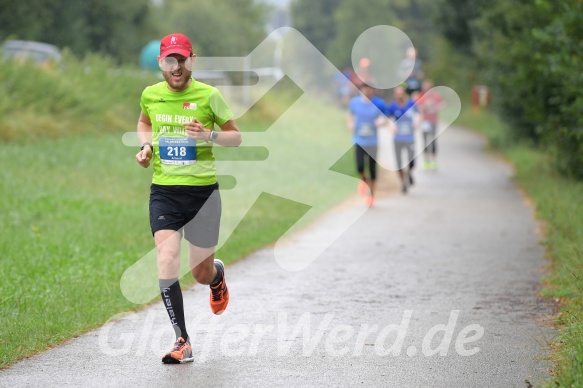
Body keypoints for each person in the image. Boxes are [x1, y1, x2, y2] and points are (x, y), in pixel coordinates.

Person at [135, 33, 242, 364]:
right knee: (166, 258)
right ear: (161, 63)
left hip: (202, 196)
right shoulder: (151, 95)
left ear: (191, 61)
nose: (176, 66)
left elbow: (235, 137)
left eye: (182, 59)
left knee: (199, 272)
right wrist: (147, 146)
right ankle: (182, 339)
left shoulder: (209, 96)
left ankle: (216, 276)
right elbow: (143, 122)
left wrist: (207, 134)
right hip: (165, 192)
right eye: (170, 60)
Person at [347, 83, 386, 207]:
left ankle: (371, 195)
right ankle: (363, 181)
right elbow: (350, 114)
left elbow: (385, 117)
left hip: (373, 142)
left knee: (372, 169)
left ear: (373, 91)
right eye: (365, 90)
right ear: (361, 91)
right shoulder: (354, 102)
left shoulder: (379, 104)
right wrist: (350, 123)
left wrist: (381, 121)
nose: (367, 92)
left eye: (370, 90)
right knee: (360, 167)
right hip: (359, 140)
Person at [385, 85, 418, 194]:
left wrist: (417, 122)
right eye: (397, 94)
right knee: (399, 163)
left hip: (410, 137)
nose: (399, 95)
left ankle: (409, 174)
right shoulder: (392, 106)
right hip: (398, 138)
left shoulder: (411, 104)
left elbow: (420, 114)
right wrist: (391, 126)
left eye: (401, 93)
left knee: (411, 161)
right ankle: (403, 183)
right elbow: (387, 118)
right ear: (395, 95)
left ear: (404, 94)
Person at [416, 80, 445, 170]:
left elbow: (443, 104)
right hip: (425, 122)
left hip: (433, 121)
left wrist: (437, 106)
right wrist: (424, 106)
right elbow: (417, 107)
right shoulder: (421, 97)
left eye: (428, 88)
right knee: (425, 141)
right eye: (425, 88)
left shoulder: (436, 96)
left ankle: (433, 160)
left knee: (433, 140)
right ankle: (426, 160)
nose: (427, 90)